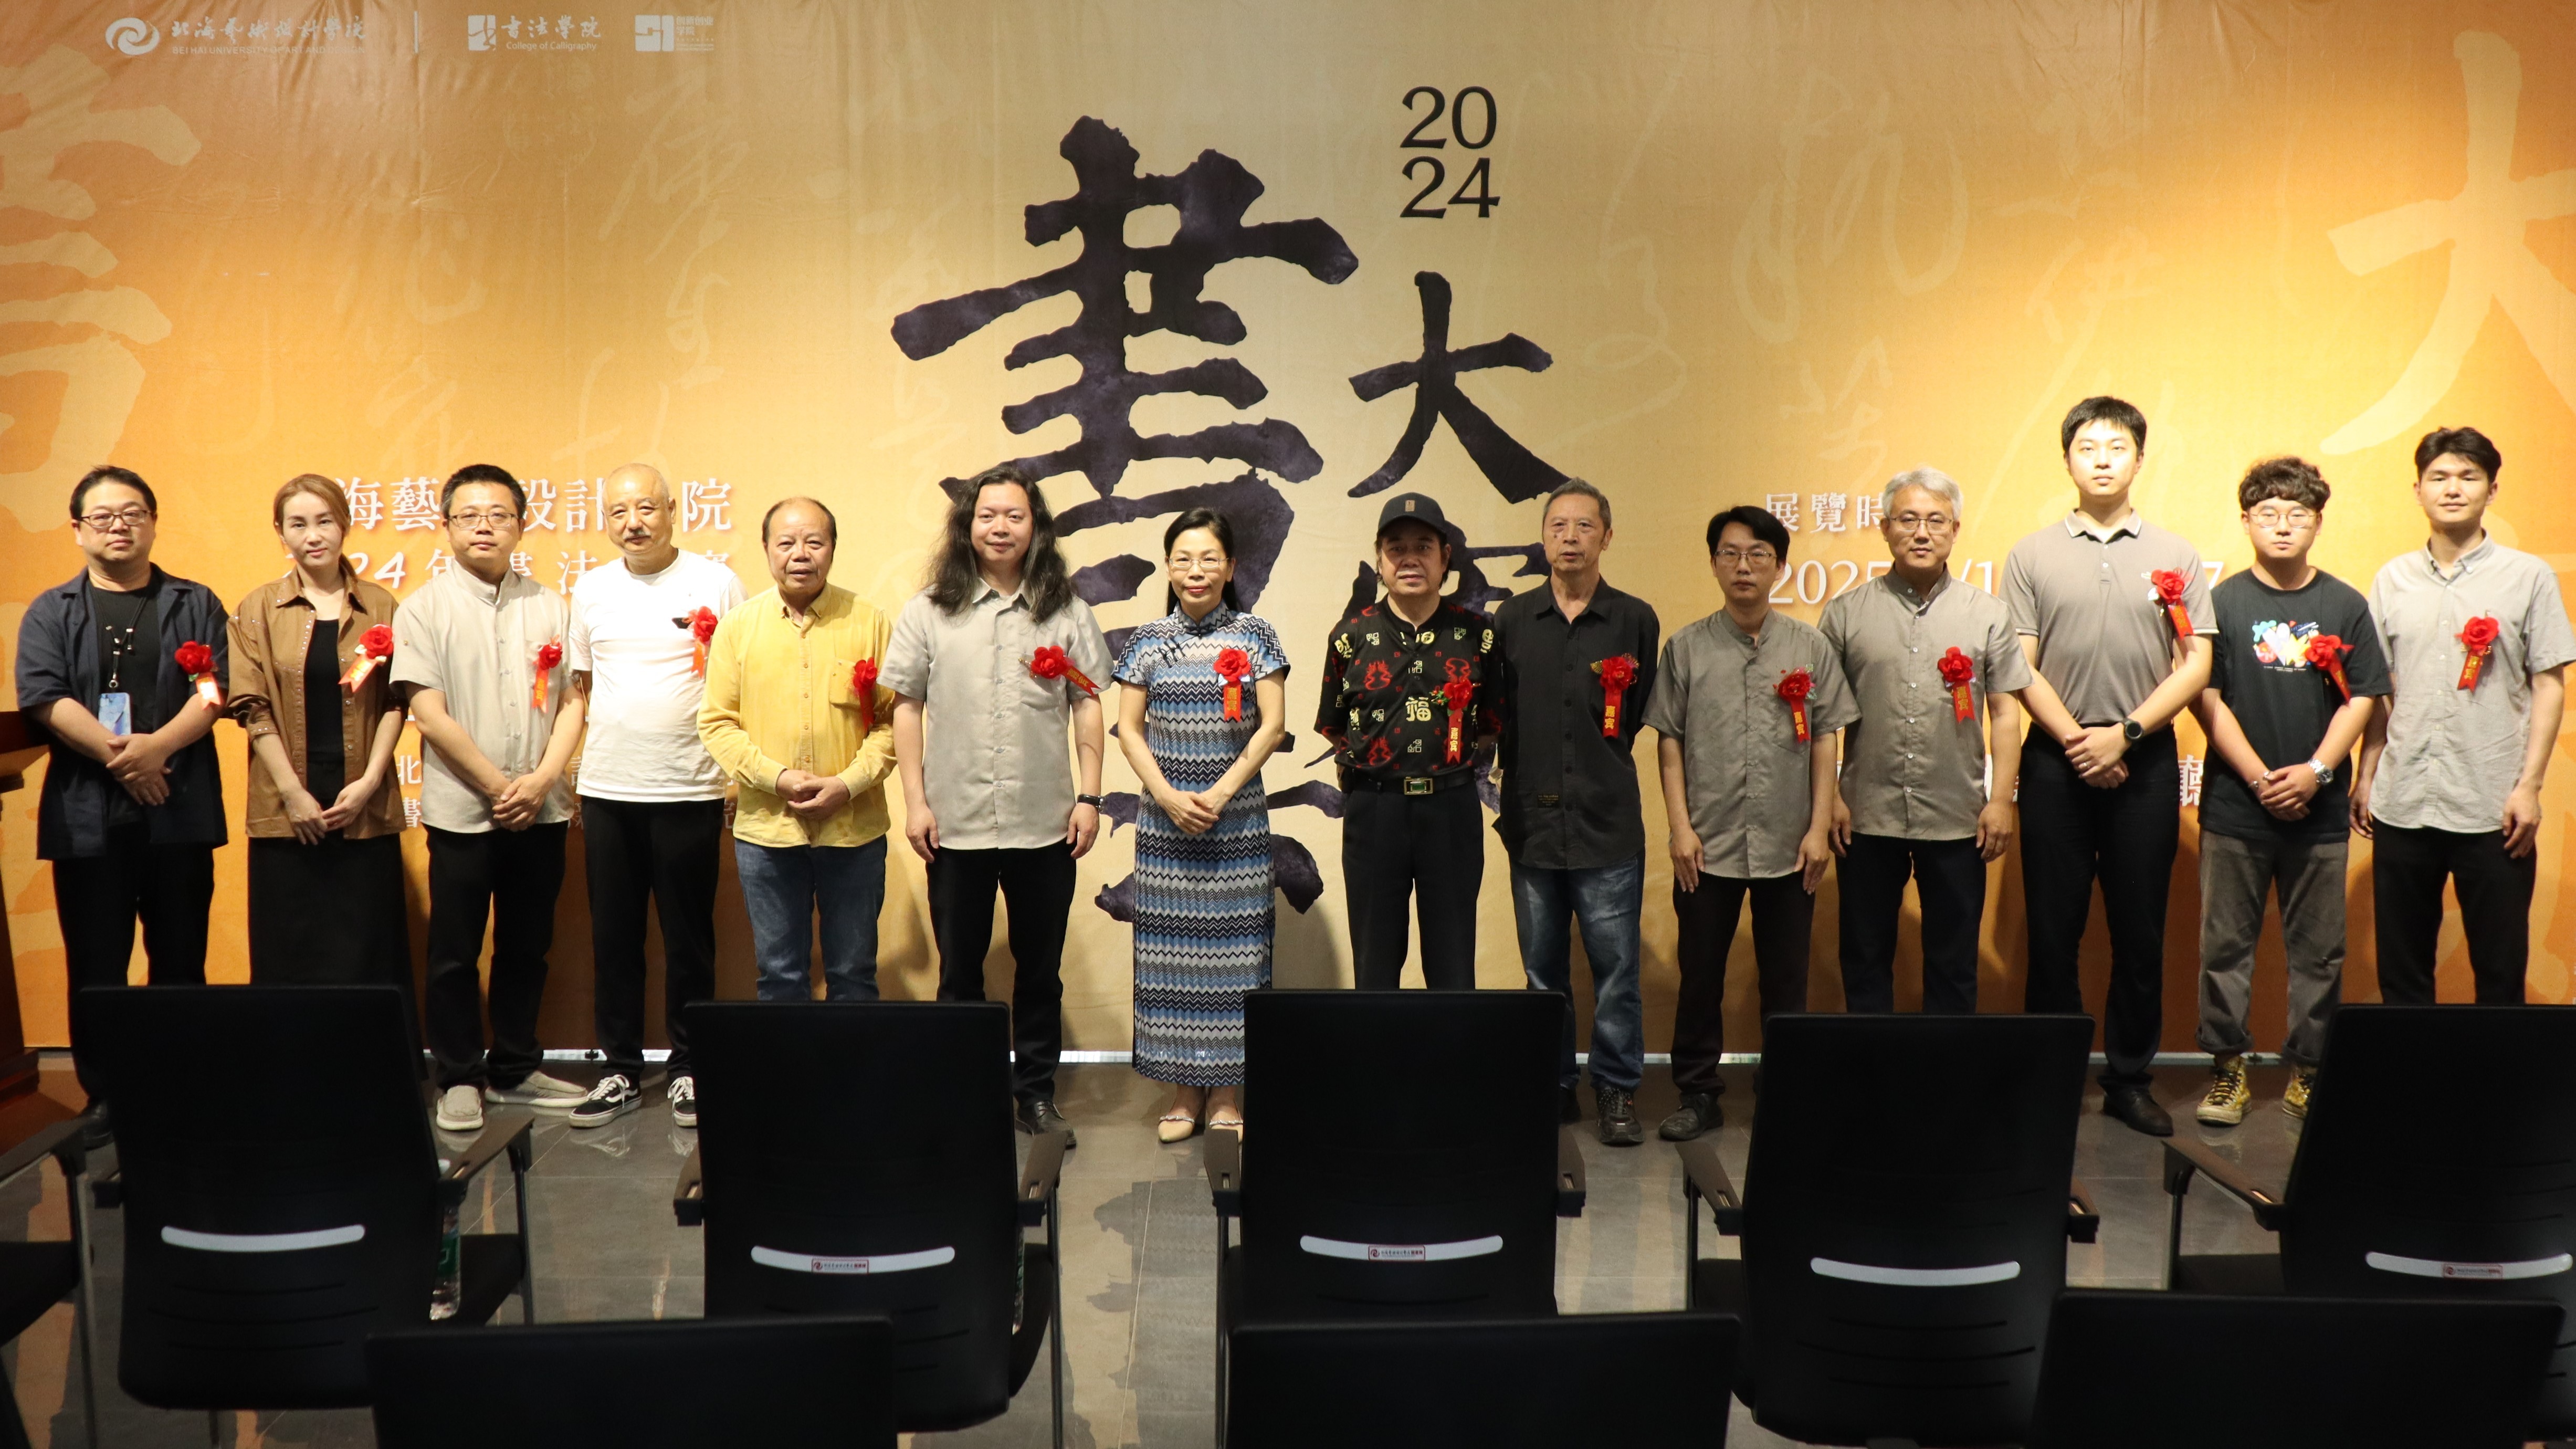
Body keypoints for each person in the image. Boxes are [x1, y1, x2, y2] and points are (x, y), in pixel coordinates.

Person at [2002, 396, 2214, 1138]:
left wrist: (2121, 736)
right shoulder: (2030, 554)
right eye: (2086, 447)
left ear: (2138, 459)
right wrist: (2077, 742)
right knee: (2051, 930)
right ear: (2066, 459)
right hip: (2055, 760)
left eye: (2116, 447)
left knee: (2138, 930)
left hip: (2142, 760)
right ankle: (2049, 1078)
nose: (2101, 459)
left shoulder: (2175, 555)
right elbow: (2018, 665)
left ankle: (2128, 1079)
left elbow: (2196, 663)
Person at [887, 466, 1110, 1146]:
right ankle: (963, 1098)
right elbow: (905, 707)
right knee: (959, 975)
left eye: (1014, 516)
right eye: (987, 516)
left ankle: (1034, 1095)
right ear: (967, 526)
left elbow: (1087, 703)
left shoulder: (1064, 611)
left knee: (1039, 973)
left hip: (1045, 824)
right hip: (953, 825)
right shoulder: (930, 610)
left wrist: (1089, 796)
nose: (1000, 528)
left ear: (1035, 527)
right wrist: (916, 803)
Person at [14, 466, 227, 1113]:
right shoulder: (52, 610)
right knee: (97, 967)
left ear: (153, 523)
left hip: (177, 808)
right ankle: (107, 1098)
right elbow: (44, 696)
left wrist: (156, 749)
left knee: (181, 960)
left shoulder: (195, 602)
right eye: (103, 516)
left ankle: (182, 1092)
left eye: (133, 513)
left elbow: (214, 690)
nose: (119, 526)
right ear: (78, 529)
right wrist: (126, 760)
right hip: (89, 817)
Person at [1644, 506, 1854, 1141]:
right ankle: (1697, 1092)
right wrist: (1680, 829)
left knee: (1785, 979)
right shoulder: (1685, 647)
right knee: (1699, 975)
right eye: (1730, 554)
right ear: (1713, 564)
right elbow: (1669, 741)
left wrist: (1817, 827)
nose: (1743, 566)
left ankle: (1782, 1094)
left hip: (1789, 842)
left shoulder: (1808, 647)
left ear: (1778, 566)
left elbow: (1825, 737)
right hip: (1705, 844)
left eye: (1758, 554)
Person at [2190, 457, 2389, 1125]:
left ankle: (2307, 1072)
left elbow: (2363, 698)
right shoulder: (2221, 603)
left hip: (2319, 810)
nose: (2281, 526)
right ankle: (2227, 1071)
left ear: (2317, 524)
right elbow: (2205, 698)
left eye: (2296, 515)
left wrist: (2317, 772)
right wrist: (2257, 778)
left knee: (2318, 951)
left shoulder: (2344, 604)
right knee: (2223, 948)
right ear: (2245, 520)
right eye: (2267, 514)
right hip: (2233, 808)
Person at [394, 464, 591, 1133]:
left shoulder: (551, 606)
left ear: (521, 525)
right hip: (464, 812)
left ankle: (514, 1066)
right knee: (454, 952)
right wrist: (501, 786)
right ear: (446, 525)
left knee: (526, 946)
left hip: (541, 809)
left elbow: (572, 702)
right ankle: (457, 1076)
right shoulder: (423, 609)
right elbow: (428, 712)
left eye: (499, 515)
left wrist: (541, 781)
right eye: (469, 516)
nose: (484, 527)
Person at [2356, 426, 2574, 1005]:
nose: (2452, 489)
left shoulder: (2527, 577)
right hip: (2403, 800)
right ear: (2418, 490)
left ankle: (2497, 1072)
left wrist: (2529, 787)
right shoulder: (2391, 579)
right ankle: (2411, 1069)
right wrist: (2366, 773)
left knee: (2500, 975)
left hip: (2493, 805)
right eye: (2438, 478)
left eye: (2467, 477)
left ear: (2491, 490)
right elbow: (2378, 691)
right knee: (2402, 976)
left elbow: (2548, 684)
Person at [562, 464, 745, 1130]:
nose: (633, 522)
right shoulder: (590, 589)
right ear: (605, 521)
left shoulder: (716, 582)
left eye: (645, 507)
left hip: (688, 787)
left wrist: (733, 774)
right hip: (609, 790)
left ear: (673, 509)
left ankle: (689, 1067)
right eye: (618, 512)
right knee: (614, 937)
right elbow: (580, 689)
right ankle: (619, 1069)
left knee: (689, 938)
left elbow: (739, 685)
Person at [1821, 468, 2031, 1020]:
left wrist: (1999, 800)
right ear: (1884, 528)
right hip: (1865, 814)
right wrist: (1831, 798)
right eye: (1908, 520)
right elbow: (1822, 721)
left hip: (1957, 815)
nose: (1921, 532)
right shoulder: (1845, 613)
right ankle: (1873, 1070)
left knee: (1953, 963)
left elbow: (2004, 713)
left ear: (1954, 530)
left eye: (1935, 521)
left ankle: (1946, 1072)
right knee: (1864, 958)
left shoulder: (1987, 614)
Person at [1494, 479, 1660, 1145]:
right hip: (1531, 822)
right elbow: (1498, 714)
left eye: (1584, 526)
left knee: (1616, 970)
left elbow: (1635, 713)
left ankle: (1616, 1090)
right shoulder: (1511, 620)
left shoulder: (1634, 619)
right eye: (1558, 526)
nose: (1569, 537)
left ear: (1606, 537)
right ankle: (1554, 1084)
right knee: (1542, 972)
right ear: (1542, 538)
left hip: (1606, 821)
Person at [1113, 509, 1288, 1143]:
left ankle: (1227, 1095)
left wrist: (1217, 793)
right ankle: (1183, 1092)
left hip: (1235, 823)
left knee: (1238, 957)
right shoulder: (1147, 641)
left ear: (1231, 567)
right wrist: (1167, 796)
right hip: (1166, 831)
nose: (1196, 570)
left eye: (1209, 558)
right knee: (1169, 961)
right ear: (1167, 567)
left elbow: (1272, 725)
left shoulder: (1256, 636)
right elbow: (1128, 729)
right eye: (1183, 558)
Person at [699, 497, 895, 1003]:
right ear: (767, 549)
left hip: (853, 831)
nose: (800, 554)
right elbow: (717, 723)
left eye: (814, 542)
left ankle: (849, 1061)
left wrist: (847, 785)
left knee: (853, 974)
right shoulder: (738, 627)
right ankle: (789, 1062)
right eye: (786, 543)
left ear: (833, 548)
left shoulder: (870, 621)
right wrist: (777, 778)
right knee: (780, 976)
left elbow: (894, 722)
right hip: (768, 831)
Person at [228, 475, 409, 992]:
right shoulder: (259, 609)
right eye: (298, 524)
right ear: (280, 533)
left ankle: (370, 1049)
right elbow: (252, 706)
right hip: (286, 805)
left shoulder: (381, 606)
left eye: (324, 521)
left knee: (369, 952)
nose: (313, 535)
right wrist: (292, 793)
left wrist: (369, 784)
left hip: (362, 802)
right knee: (289, 951)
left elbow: (397, 700)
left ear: (345, 525)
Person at [1315, 492, 1501, 991]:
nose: (1409, 559)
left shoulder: (1478, 634)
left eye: (1423, 547)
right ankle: (1378, 1047)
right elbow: (1334, 725)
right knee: (1375, 965)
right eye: (1396, 548)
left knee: (1453, 963)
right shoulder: (1350, 635)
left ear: (1445, 559)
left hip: (1451, 809)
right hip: (1375, 812)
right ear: (1379, 561)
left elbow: (1491, 722)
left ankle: (1451, 1047)